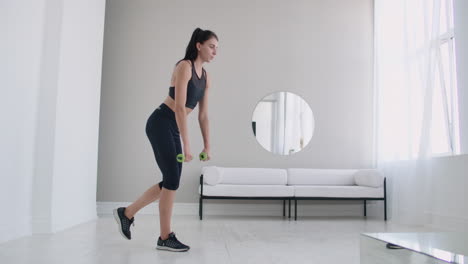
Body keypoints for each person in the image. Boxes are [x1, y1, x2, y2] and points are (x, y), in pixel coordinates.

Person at [113, 28, 218, 252]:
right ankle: (164, 236)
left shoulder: (206, 77)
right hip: (160, 122)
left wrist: (207, 145)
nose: (215, 51)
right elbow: (180, 108)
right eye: (211, 46)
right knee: (172, 179)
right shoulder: (184, 67)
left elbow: (203, 115)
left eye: (217, 48)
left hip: (172, 127)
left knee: (171, 180)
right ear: (198, 45)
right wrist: (187, 145)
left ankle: (127, 213)